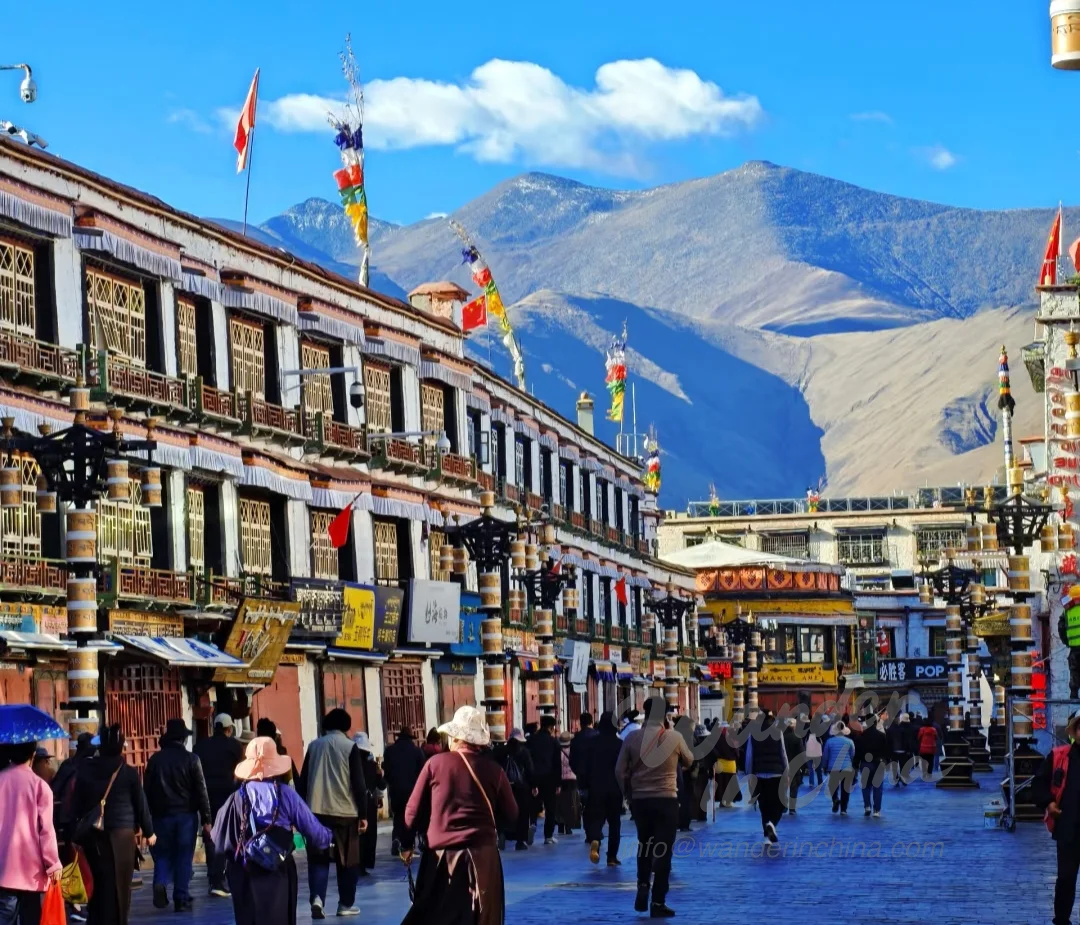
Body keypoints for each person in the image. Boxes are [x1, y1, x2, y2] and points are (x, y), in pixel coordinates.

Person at [400, 706, 518, 925]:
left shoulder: (434, 765)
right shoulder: (495, 771)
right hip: (483, 858)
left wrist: (409, 842)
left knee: (435, 917)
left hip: (441, 860)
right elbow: (512, 814)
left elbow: (411, 814)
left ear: (454, 737)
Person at [210, 737, 332, 925]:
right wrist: (329, 838)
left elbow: (217, 834)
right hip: (278, 868)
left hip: (245, 870)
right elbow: (313, 831)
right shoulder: (286, 794)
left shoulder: (236, 798)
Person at [615, 695, 693, 918]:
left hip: (640, 801)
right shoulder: (675, 738)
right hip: (667, 799)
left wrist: (627, 795)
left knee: (645, 845)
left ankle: (642, 884)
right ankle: (658, 901)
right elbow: (689, 761)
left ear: (645, 714)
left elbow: (619, 771)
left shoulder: (631, 738)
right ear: (666, 716)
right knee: (664, 851)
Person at [74, 725, 155, 925]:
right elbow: (140, 803)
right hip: (123, 837)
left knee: (99, 883)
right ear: (120, 747)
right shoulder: (127, 772)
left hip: (94, 837)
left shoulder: (85, 770)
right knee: (120, 887)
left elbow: (78, 803)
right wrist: (149, 831)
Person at [297, 709, 367, 920]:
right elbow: (358, 783)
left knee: (318, 859)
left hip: (316, 813)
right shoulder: (350, 747)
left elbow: (303, 782)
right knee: (348, 861)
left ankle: (317, 899)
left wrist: (302, 812)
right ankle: (345, 904)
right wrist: (363, 814)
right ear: (346, 726)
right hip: (345, 813)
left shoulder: (313, 746)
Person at [144, 718, 212, 912]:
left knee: (163, 854)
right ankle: (181, 897)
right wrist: (207, 819)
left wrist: (145, 820)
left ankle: (161, 881)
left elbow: (146, 791)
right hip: (186, 817)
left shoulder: (155, 760)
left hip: (161, 817)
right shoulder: (192, 760)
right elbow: (201, 791)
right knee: (184, 855)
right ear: (183, 739)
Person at [0, 740, 62, 925]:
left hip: (3, 870)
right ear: (33, 755)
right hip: (32, 873)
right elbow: (46, 831)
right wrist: (53, 864)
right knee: (31, 918)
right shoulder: (40, 787)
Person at [1033, 710, 1080, 925]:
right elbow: (1039, 784)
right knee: (1066, 878)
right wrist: (1049, 803)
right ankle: (1061, 920)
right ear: (1075, 732)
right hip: (1068, 828)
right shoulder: (1060, 755)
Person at [193, 712, 245, 898]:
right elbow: (241, 772)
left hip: (205, 797)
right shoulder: (235, 746)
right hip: (227, 797)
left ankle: (212, 873)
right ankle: (218, 879)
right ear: (229, 729)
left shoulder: (200, 746)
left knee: (209, 835)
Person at [581, 712, 623, 866]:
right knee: (614, 823)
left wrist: (584, 784)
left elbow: (584, 766)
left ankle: (595, 840)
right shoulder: (619, 744)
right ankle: (611, 857)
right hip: (614, 788)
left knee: (595, 818)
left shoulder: (591, 743)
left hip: (595, 787)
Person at [745, 711, 789, 845]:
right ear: (771, 719)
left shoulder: (753, 733)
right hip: (776, 774)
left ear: (758, 719)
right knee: (779, 805)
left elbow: (749, 756)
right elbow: (783, 754)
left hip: (759, 774)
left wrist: (749, 775)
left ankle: (767, 837)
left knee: (764, 806)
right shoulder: (778, 733)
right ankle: (771, 824)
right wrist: (786, 772)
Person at [382, 727, 426, 855]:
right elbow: (422, 773)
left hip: (395, 790)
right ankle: (407, 846)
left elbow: (387, 772)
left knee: (398, 817)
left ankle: (396, 838)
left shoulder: (389, 751)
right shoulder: (417, 752)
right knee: (410, 818)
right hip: (412, 791)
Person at [494, 729, 535, 850]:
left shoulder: (501, 751)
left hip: (504, 786)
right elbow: (530, 770)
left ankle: (503, 833)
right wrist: (533, 785)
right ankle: (520, 840)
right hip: (521, 787)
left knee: (503, 811)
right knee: (522, 813)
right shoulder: (524, 752)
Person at [351, 732, 385, 874]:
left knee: (356, 835)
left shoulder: (349, 764)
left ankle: (356, 864)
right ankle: (364, 864)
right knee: (369, 835)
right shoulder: (372, 766)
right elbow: (382, 785)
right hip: (369, 803)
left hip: (353, 803)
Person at [525, 715, 561, 845]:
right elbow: (557, 764)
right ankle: (548, 836)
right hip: (550, 779)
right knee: (550, 808)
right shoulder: (554, 742)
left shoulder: (531, 740)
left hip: (534, 778)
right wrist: (558, 783)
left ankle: (532, 824)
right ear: (551, 727)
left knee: (533, 805)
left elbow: (528, 761)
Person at [855, 714, 889, 817]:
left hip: (865, 764)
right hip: (878, 764)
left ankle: (867, 806)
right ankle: (877, 810)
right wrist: (887, 764)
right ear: (875, 722)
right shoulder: (882, 736)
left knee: (865, 786)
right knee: (877, 787)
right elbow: (886, 752)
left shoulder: (861, 736)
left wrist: (856, 765)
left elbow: (857, 753)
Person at [672, 716, 699, 832]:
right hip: (687, 771)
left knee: (675, 797)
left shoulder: (673, 735)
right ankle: (684, 823)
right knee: (686, 798)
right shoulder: (691, 735)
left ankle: (676, 822)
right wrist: (691, 766)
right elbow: (695, 753)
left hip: (673, 770)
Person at [823, 720, 856, 815]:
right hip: (847, 768)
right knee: (845, 788)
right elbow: (852, 755)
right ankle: (843, 809)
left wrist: (825, 766)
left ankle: (835, 799)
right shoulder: (850, 742)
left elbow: (826, 756)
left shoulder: (829, 741)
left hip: (833, 768)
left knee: (832, 786)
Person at [709, 722, 741, 807]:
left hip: (720, 764)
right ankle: (729, 801)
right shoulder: (730, 740)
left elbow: (713, 751)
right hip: (730, 765)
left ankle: (722, 800)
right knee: (730, 783)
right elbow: (735, 752)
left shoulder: (716, 740)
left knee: (721, 784)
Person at [556, 731, 579, 835]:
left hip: (560, 780)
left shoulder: (557, 751)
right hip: (573, 779)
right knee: (571, 803)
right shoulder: (573, 751)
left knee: (560, 803)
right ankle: (569, 826)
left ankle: (561, 826)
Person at [781, 718, 806, 815]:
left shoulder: (782, 737)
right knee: (794, 789)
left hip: (784, 767)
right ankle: (792, 808)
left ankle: (784, 804)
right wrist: (805, 765)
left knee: (783, 787)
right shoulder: (798, 738)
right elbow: (802, 753)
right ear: (794, 727)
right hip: (795, 767)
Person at [887, 713, 911, 786]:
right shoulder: (902, 729)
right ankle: (902, 776)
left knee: (894, 765)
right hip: (902, 750)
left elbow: (888, 741)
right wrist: (907, 749)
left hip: (893, 750)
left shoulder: (889, 729)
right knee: (902, 764)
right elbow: (906, 740)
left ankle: (896, 779)